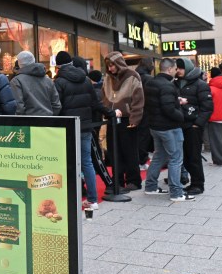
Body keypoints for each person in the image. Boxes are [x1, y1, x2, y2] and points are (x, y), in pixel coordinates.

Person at [54, 50, 117, 209]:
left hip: (67, 129)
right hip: (85, 126)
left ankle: (70, 200)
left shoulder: (59, 82)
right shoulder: (86, 80)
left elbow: (57, 107)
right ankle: (93, 199)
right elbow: (96, 103)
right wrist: (110, 114)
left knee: (67, 163)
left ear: (58, 65)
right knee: (87, 162)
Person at [143, 58, 194, 201]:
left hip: (155, 126)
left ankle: (151, 186)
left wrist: (175, 101)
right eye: (175, 68)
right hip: (169, 127)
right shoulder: (167, 85)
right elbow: (168, 109)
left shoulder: (151, 82)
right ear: (170, 69)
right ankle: (176, 192)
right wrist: (182, 115)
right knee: (176, 158)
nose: (177, 71)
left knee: (159, 156)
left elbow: (158, 103)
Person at [101, 52, 144, 191]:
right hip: (112, 119)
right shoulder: (107, 78)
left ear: (119, 63)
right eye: (108, 65)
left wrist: (135, 119)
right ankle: (117, 181)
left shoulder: (133, 76)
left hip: (127, 119)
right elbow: (104, 96)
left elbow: (138, 99)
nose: (111, 68)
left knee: (130, 151)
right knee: (114, 151)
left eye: (112, 65)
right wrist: (106, 112)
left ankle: (134, 181)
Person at [174, 58, 212, 195]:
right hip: (179, 125)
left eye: (180, 68)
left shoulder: (200, 84)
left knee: (193, 156)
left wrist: (198, 124)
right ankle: (191, 182)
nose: (178, 71)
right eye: (176, 68)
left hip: (193, 126)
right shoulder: (175, 83)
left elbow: (207, 107)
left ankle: (198, 184)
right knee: (184, 157)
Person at [9, 50, 61, 116]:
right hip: (48, 122)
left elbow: (19, 108)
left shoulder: (16, 81)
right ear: (34, 60)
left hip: (28, 123)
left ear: (19, 64)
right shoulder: (48, 80)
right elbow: (57, 105)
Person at [135, 57, 155, 168]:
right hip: (146, 110)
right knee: (144, 136)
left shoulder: (134, 76)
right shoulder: (148, 78)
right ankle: (142, 160)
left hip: (135, 110)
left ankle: (139, 159)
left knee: (137, 136)